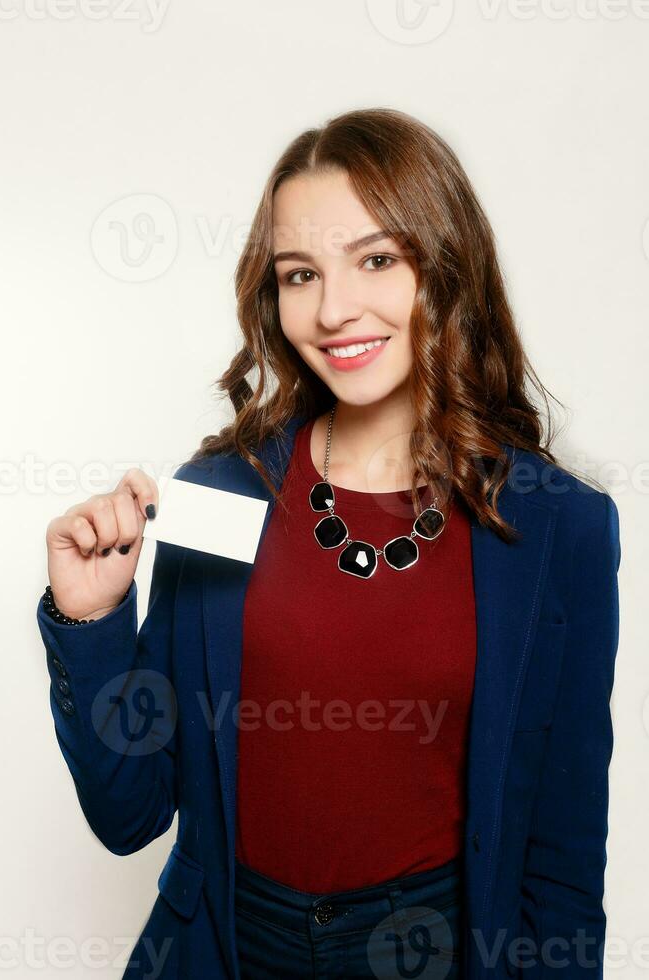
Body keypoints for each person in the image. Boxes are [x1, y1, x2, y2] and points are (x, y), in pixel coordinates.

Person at [36, 108, 621, 980]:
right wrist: (93, 624)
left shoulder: (554, 526)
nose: (335, 308)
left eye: (377, 259)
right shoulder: (220, 495)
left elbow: (561, 862)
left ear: (446, 266)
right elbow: (132, 815)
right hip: (224, 949)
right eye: (300, 273)